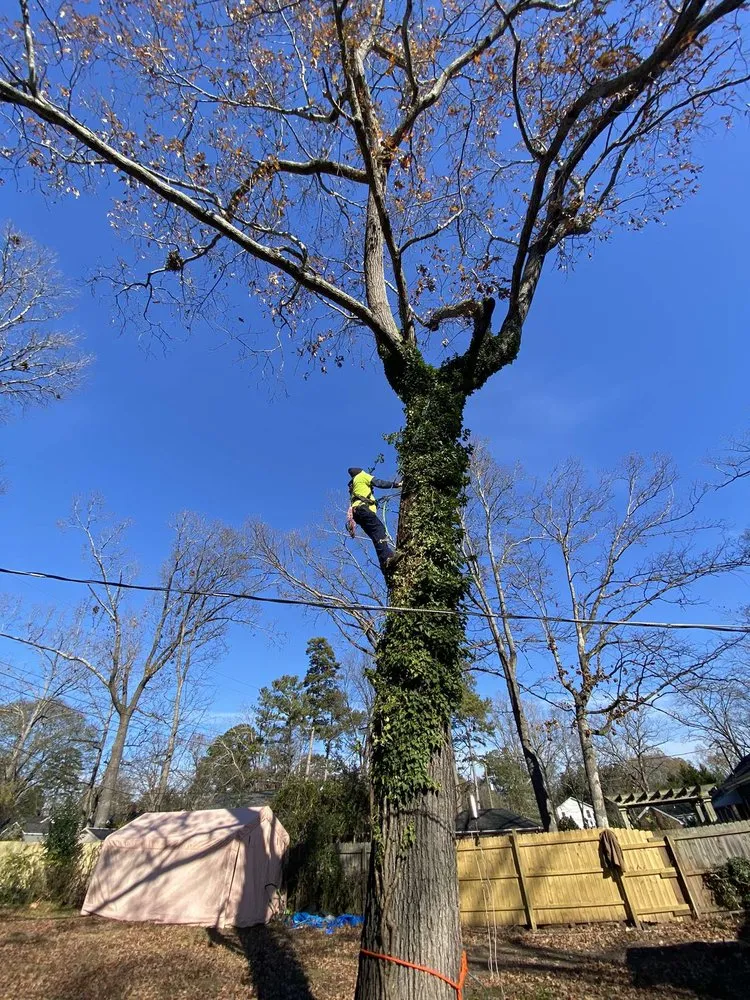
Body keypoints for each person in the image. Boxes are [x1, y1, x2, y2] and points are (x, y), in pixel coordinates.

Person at [347, 466, 403, 575]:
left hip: (357, 513)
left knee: (376, 537)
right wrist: (396, 485)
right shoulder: (362, 475)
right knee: (379, 530)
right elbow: (378, 482)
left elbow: (361, 496)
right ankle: (388, 559)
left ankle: (385, 566)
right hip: (363, 509)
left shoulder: (353, 483)